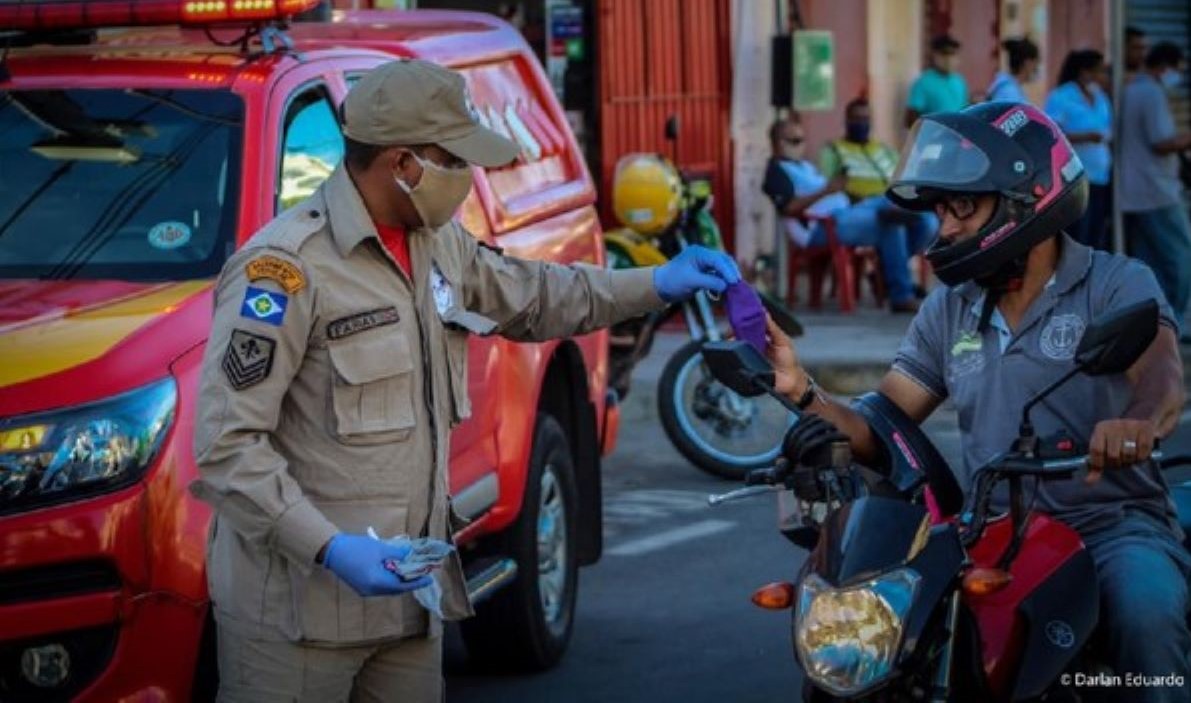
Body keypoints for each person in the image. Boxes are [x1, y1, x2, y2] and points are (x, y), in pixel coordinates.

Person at [190, 59, 739, 702]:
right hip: (295, 617)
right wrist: (331, 549)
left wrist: (654, 283)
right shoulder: (282, 272)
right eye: (454, 160)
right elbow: (228, 447)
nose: (468, 177)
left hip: (409, 603)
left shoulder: (434, 243)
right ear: (403, 165)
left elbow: (532, 296)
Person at [763, 102, 1190, 703]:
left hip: (1111, 525)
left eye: (962, 206)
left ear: (1027, 196)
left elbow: (1163, 377)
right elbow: (883, 418)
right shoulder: (951, 308)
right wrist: (803, 393)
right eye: (941, 210)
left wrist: (1139, 423)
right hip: (988, 533)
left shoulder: (1115, 282)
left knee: (1146, 617)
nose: (947, 228)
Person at [764, 114, 923, 313]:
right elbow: (788, 208)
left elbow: (830, 191)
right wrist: (827, 190)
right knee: (888, 221)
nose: (800, 145)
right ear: (777, 142)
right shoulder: (776, 171)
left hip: (845, 213)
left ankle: (912, 214)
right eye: (794, 140)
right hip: (821, 227)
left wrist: (843, 189)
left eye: (802, 140)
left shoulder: (804, 166)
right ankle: (900, 294)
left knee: (895, 206)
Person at [819, 98, 937, 298]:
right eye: (856, 118)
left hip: (892, 204)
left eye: (865, 118)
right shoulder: (834, 151)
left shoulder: (885, 151)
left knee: (928, 221)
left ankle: (886, 270)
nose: (861, 123)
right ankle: (901, 293)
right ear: (846, 120)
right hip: (858, 208)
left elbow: (903, 180)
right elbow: (829, 189)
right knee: (892, 218)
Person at [1119, 41, 1191, 336]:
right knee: (1180, 257)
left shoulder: (1131, 90)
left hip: (1134, 193)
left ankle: (1155, 324)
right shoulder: (1150, 92)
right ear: (1166, 66)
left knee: (1149, 265)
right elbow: (1161, 142)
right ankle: (1182, 321)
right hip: (1156, 191)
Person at [1046, 49, 1112, 251]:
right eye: (1100, 71)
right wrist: (1085, 137)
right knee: (1079, 235)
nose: (1103, 76)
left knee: (1097, 233)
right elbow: (1051, 133)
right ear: (1085, 72)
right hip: (1075, 177)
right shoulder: (1061, 96)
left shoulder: (1100, 97)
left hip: (1101, 176)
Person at [905, 35, 969, 129]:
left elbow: (965, 111)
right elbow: (910, 120)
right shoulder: (923, 83)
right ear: (934, 55)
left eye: (953, 54)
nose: (949, 59)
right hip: (933, 140)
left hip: (957, 139)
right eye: (944, 54)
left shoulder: (960, 82)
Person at [987, 36, 1040, 104]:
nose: (1036, 69)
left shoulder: (1007, 88)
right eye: (1036, 64)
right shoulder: (1010, 93)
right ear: (1028, 63)